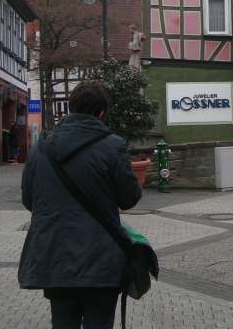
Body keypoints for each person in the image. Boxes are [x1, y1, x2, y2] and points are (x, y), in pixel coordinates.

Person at [18, 81, 141, 329]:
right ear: (102, 113)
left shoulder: (41, 148)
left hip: (54, 256)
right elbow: (129, 198)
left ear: (70, 109)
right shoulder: (113, 146)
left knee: (63, 322)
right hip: (100, 259)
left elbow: (29, 200)